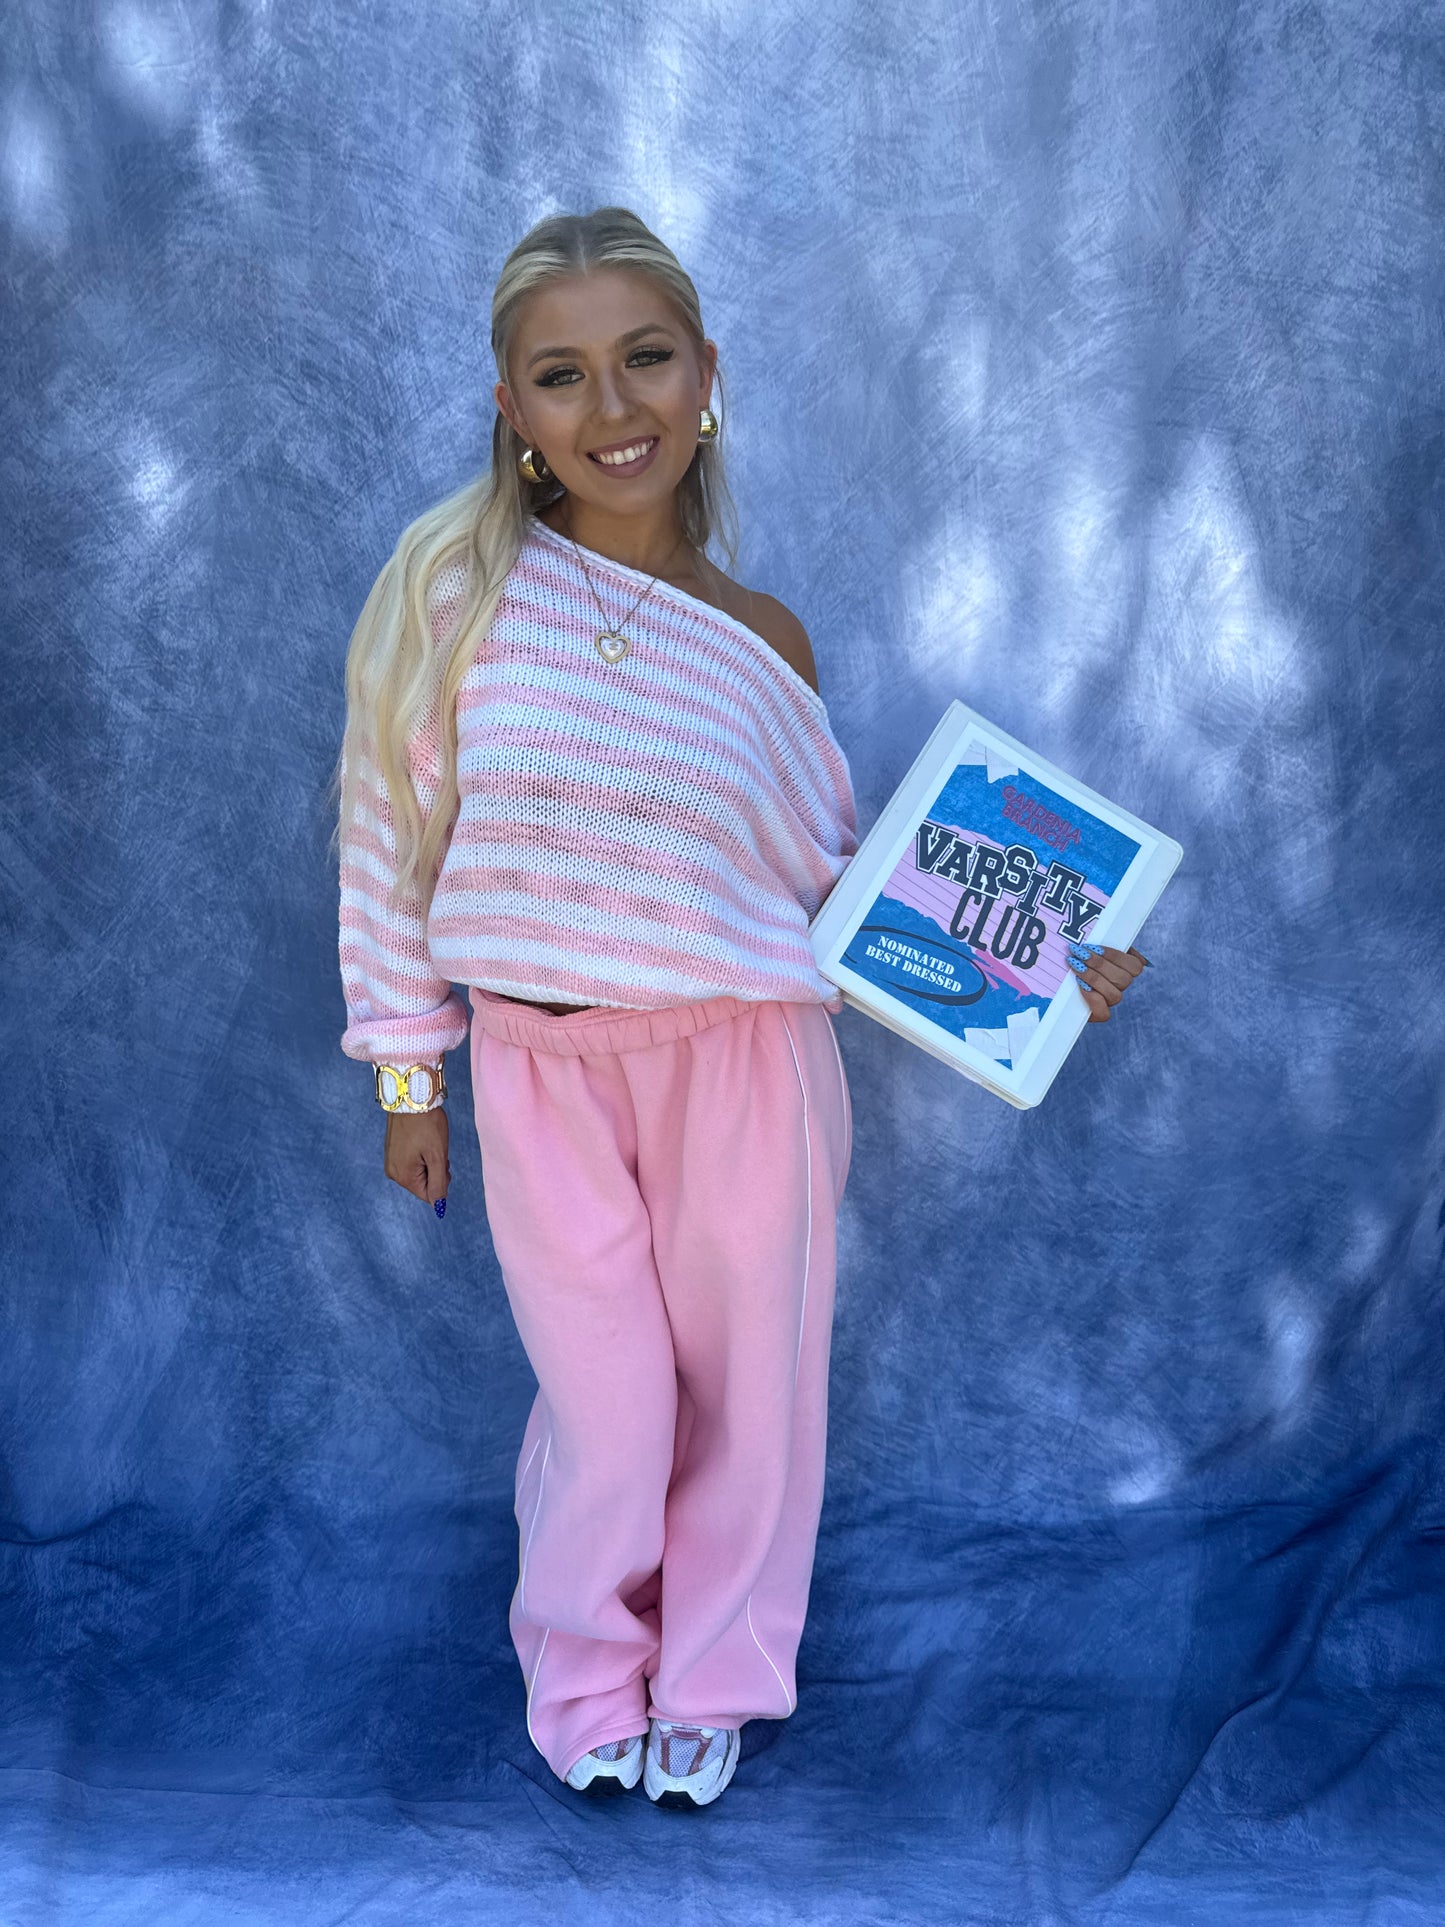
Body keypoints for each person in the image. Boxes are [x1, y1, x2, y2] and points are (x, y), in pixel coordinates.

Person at [329, 205, 1145, 1811]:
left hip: (744, 1065)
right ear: (510, 408)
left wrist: (1052, 957)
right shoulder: (454, 597)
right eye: (561, 374)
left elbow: (837, 889)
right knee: (610, 1411)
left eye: (645, 358)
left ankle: (711, 1681)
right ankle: (585, 1680)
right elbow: (386, 836)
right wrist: (410, 1080)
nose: (610, 406)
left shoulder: (764, 639)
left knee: (748, 1402)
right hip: (544, 1072)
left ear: (705, 374)